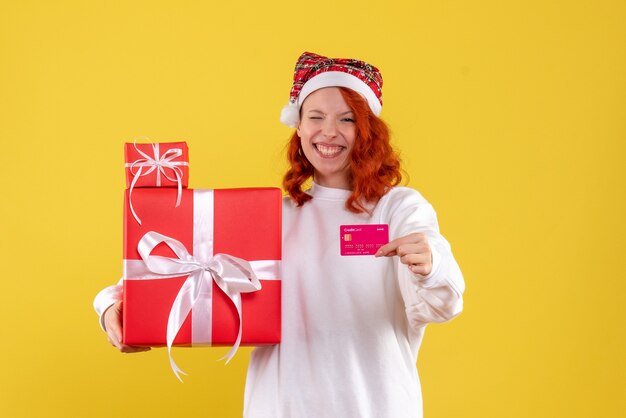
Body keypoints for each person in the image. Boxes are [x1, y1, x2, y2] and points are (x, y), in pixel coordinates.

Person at [94, 51, 465, 418]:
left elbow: (440, 304)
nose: (329, 131)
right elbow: (175, 269)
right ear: (299, 126)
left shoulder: (397, 209)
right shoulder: (272, 216)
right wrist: (112, 305)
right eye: (315, 117)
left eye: (347, 119)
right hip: (280, 407)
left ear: (367, 129)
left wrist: (432, 266)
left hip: (374, 407)